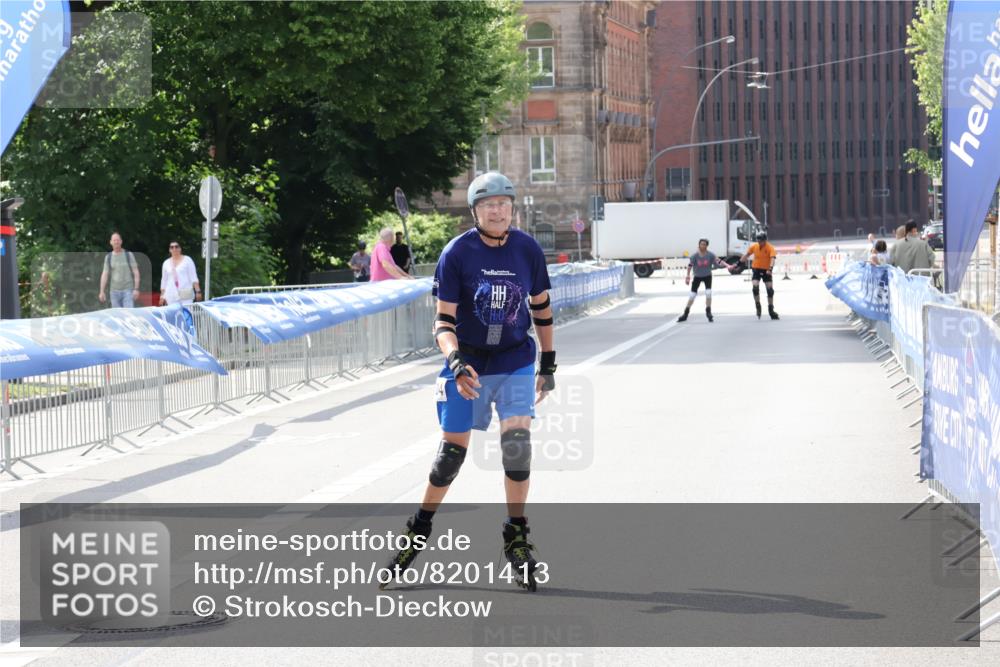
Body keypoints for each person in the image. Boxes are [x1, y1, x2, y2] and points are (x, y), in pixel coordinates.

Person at [380, 171, 555, 592]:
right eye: (489, 205)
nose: (498, 211)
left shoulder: (527, 249)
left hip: (514, 359)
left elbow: (542, 309)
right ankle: (417, 531)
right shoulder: (457, 253)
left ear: (512, 208)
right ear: (475, 211)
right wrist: (455, 361)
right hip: (468, 364)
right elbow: (443, 320)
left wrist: (548, 364)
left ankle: (516, 537)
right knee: (449, 459)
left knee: (517, 447)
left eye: (504, 204)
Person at [677, 238, 732, 322]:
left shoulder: (710, 255)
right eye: (701, 244)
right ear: (699, 245)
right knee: (692, 295)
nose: (702, 246)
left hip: (707, 276)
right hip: (697, 276)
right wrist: (687, 276)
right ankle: (685, 313)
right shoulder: (694, 256)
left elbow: (719, 261)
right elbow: (690, 266)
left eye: (704, 244)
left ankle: (708, 311)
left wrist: (728, 265)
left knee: (708, 293)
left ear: (707, 246)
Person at [735, 231, 779, 320]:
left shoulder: (770, 247)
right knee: (755, 288)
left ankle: (771, 310)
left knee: (770, 290)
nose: (759, 242)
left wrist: (770, 269)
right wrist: (738, 264)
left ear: (765, 240)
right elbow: (746, 255)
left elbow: (772, 259)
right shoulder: (754, 246)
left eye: (761, 241)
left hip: (767, 270)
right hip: (756, 269)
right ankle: (758, 305)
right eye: (758, 240)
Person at [98, 231, 140, 308]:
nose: (116, 242)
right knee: (116, 315)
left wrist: (136, 289)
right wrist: (101, 291)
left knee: (128, 314)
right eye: (114, 240)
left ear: (121, 241)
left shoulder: (128, 254)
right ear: (111, 242)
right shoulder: (108, 257)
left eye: (117, 240)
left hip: (128, 290)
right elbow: (104, 274)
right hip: (114, 292)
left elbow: (136, 272)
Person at [158, 241, 201, 306]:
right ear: (169, 250)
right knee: (173, 312)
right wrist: (162, 296)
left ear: (180, 248)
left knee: (186, 311)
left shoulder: (187, 260)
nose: (174, 249)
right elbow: (164, 280)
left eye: (176, 247)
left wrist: (198, 291)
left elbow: (193, 277)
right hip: (171, 294)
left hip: (185, 293)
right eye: (172, 247)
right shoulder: (166, 263)